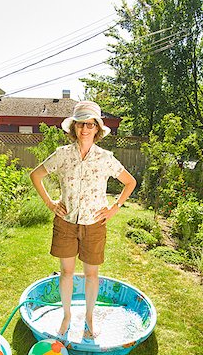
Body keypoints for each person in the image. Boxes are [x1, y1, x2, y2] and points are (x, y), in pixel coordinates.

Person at [30, 101, 136, 337]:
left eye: (90, 124)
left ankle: (89, 318)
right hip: (66, 223)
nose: (85, 129)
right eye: (81, 124)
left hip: (94, 225)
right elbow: (35, 175)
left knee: (91, 274)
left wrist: (114, 207)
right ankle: (67, 315)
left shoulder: (105, 158)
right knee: (66, 273)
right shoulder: (62, 155)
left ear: (97, 128)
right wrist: (50, 203)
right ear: (74, 128)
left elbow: (130, 182)